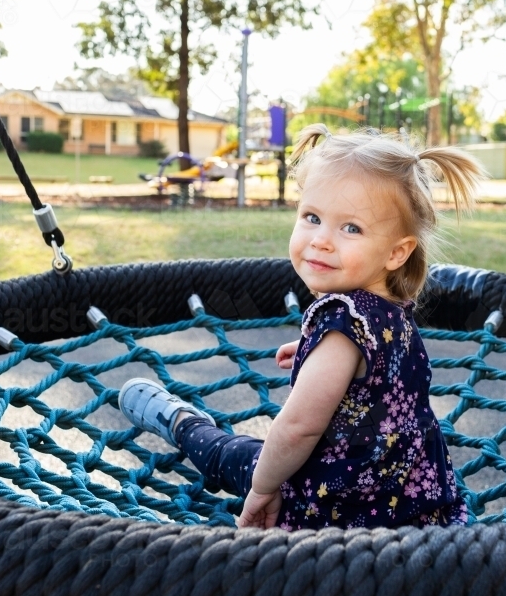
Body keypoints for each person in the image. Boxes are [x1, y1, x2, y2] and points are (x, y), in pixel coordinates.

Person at [119, 124, 485, 530]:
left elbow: (297, 429)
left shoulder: (344, 325)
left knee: (237, 457)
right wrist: (318, 351)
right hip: (415, 505)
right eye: (312, 217)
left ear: (397, 252)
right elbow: (378, 372)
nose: (322, 240)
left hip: (340, 512)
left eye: (351, 228)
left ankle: (183, 424)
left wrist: (261, 490)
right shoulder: (391, 311)